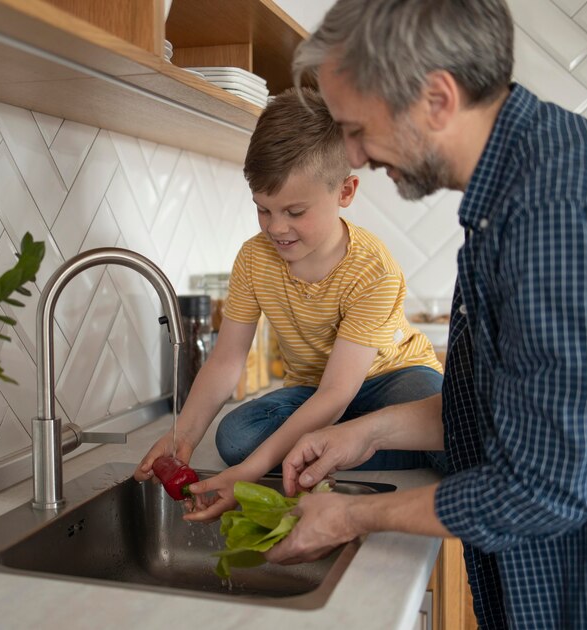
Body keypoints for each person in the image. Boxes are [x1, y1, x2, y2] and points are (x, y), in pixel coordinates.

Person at [263, 1, 587, 629]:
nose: (356, 156)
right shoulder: (525, 183)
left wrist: (350, 515)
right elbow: (507, 403)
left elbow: (542, 487)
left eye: (358, 128)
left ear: (438, 100)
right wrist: (366, 433)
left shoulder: (553, 214)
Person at [134, 87, 444, 521]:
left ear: (346, 191)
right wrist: (181, 434)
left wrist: (253, 472)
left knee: (449, 422)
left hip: (393, 380)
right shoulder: (254, 258)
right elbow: (226, 361)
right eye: (263, 209)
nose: (276, 228)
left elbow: (341, 392)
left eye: (295, 212)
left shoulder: (374, 270)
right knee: (236, 438)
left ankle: (357, 443)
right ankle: (351, 449)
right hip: (314, 392)